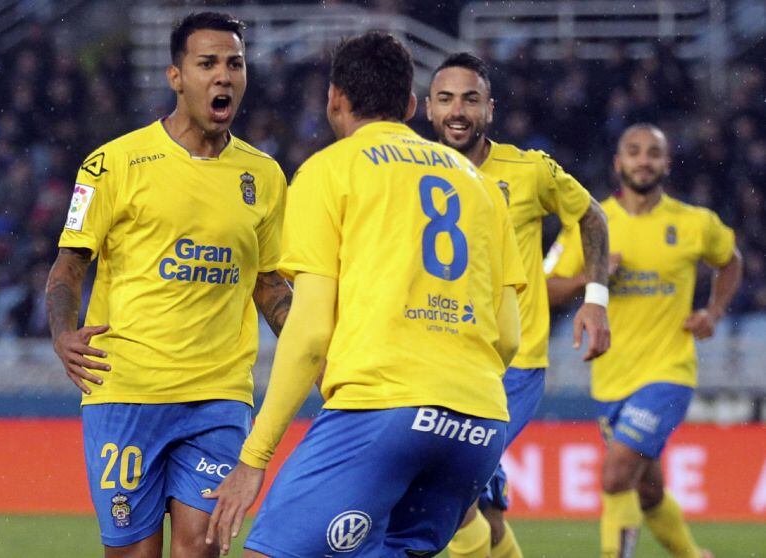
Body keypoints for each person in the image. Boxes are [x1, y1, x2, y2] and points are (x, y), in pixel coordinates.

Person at [204, 32, 527, 557]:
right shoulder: (481, 185)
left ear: (335, 98)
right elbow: (509, 335)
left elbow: (310, 332)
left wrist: (254, 457)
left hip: (382, 411)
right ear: (410, 105)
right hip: (477, 425)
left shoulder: (329, 171)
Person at [45, 12, 290, 557]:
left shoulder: (265, 176)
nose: (223, 76)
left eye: (235, 64)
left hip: (219, 395)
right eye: (207, 64)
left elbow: (270, 281)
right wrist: (62, 333)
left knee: (201, 547)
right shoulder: (112, 164)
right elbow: (68, 266)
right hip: (128, 388)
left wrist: (311, 350)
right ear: (175, 76)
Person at [426, 52, 611, 558]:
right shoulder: (411, 173)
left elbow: (591, 216)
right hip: (440, 359)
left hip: (514, 363)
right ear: (428, 108)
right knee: (480, 510)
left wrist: (596, 299)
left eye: (470, 99)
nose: (457, 111)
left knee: (445, 487)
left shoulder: (529, 170)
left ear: (490, 109)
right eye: (446, 99)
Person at [546, 124, 742, 558]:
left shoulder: (694, 223)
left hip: (668, 373)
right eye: (634, 152)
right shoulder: (592, 223)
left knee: (616, 475)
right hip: (610, 378)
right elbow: (544, 287)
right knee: (648, 489)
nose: (643, 161)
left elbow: (731, 261)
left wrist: (713, 312)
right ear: (618, 163)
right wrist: (591, 277)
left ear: (666, 163)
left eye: (653, 153)